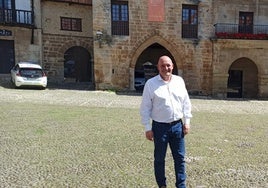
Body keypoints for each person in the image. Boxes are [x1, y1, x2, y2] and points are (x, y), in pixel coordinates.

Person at [140, 56, 192, 188]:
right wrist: (147, 127)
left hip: (177, 126)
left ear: (172, 66)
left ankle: (181, 185)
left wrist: (187, 122)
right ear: (158, 67)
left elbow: (186, 102)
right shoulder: (151, 84)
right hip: (159, 127)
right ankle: (162, 185)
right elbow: (145, 107)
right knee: (159, 159)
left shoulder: (179, 81)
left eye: (168, 65)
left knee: (180, 158)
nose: (166, 68)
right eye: (162, 66)